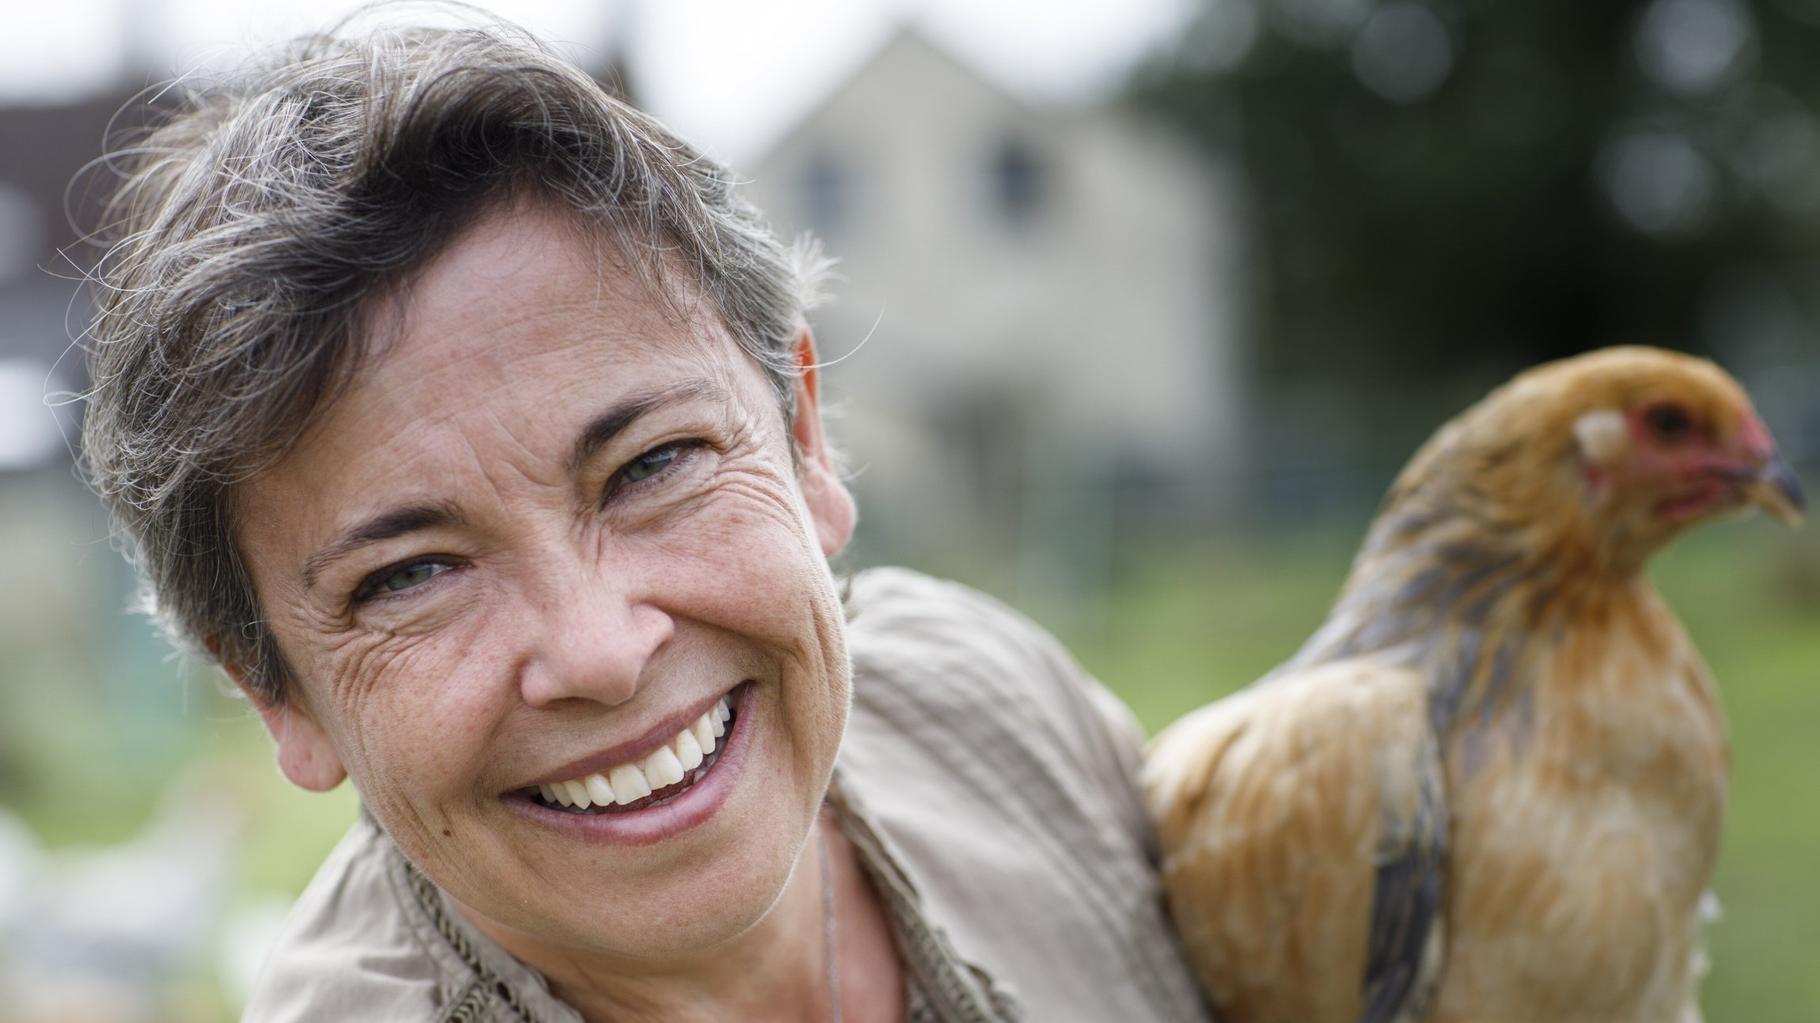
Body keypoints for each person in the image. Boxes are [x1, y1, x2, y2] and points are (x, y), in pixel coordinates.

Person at [80, 13, 1211, 1022]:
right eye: (411, 575)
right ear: (274, 689)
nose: (601, 653)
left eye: (652, 464)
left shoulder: (985, 700)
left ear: (802, 436)